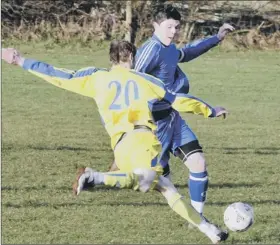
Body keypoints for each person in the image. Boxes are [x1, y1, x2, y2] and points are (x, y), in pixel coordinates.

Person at [2, 41, 228, 244]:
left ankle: (211, 232)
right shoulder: (145, 80)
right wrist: (209, 111)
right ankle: (95, 177)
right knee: (147, 180)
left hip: (120, 146)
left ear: (112, 59)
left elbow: (58, 75)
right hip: (142, 139)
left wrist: (21, 60)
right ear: (132, 57)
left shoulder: (96, 78)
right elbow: (177, 100)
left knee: (167, 189)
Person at [110, 4, 233, 215]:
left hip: (172, 118)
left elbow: (188, 52)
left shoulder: (170, 49)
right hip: (152, 125)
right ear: (155, 25)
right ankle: (97, 176)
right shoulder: (151, 50)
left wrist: (216, 38)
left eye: (176, 27)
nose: (174, 32)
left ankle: (197, 217)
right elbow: (130, 80)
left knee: (198, 162)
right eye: (169, 27)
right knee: (149, 179)